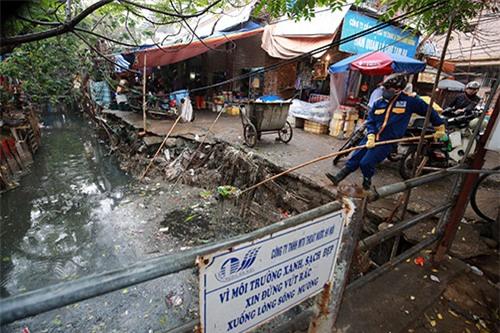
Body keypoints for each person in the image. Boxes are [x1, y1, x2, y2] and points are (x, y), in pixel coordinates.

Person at [325, 73, 446, 190]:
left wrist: (439, 125)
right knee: (355, 157)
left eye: (389, 89)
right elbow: (371, 120)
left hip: (387, 140)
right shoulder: (379, 102)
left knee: (366, 163)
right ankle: (338, 177)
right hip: (372, 136)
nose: (385, 91)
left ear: (398, 90)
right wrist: (371, 134)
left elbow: (429, 110)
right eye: (385, 88)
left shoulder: (410, 101)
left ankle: (367, 182)